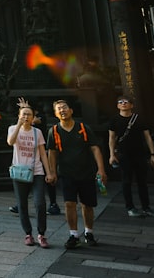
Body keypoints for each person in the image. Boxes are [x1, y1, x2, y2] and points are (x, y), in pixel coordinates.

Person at [46, 99, 107, 249]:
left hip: (86, 172)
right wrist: (52, 172)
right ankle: (73, 234)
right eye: (58, 109)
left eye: (65, 107)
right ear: (55, 114)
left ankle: (89, 232)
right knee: (69, 204)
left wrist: (101, 169)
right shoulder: (53, 131)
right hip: (67, 173)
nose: (62, 110)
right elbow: (52, 153)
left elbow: (95, 149)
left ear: (71, 110)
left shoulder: (83, 128)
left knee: (87, 205)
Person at [7, 100, 52, 248]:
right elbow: (10, 142)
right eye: (24, 114)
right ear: (19, 116)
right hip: (20, 172)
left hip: (36, 172)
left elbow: (43, 154)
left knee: (40, 203)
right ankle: (28, 233)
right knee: (22, 204)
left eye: (29, 115)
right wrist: (19, 125)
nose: (26, 117)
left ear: (33, 118)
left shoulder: (37, 132)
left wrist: (49, 172)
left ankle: (41, 234)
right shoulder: (13, 128)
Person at [108, 96, 154, 218]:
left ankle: (146, 207)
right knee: (126, 181)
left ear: (132, 105)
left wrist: (153, 154)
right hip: (123, 154)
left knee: (142, 182)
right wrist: (111, 154)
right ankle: (130, 207)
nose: (123, 104)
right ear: (117, 106)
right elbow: (111, 138)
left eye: (126, 102)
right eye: (120, 102)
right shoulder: (114, 120)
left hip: (139, 154)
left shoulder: (139, 119)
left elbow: (147, 137)